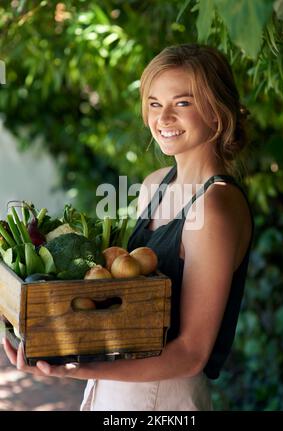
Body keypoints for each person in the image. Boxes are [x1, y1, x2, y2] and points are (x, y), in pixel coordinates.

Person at [3, 43, 254, 411]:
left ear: (217, 113)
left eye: (182, 103)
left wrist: (72, 369)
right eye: (154, 103)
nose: (163, 117)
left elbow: (190, 353)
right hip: (116, 381)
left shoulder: (215, 206)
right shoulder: (155, 184)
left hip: (164, 394)